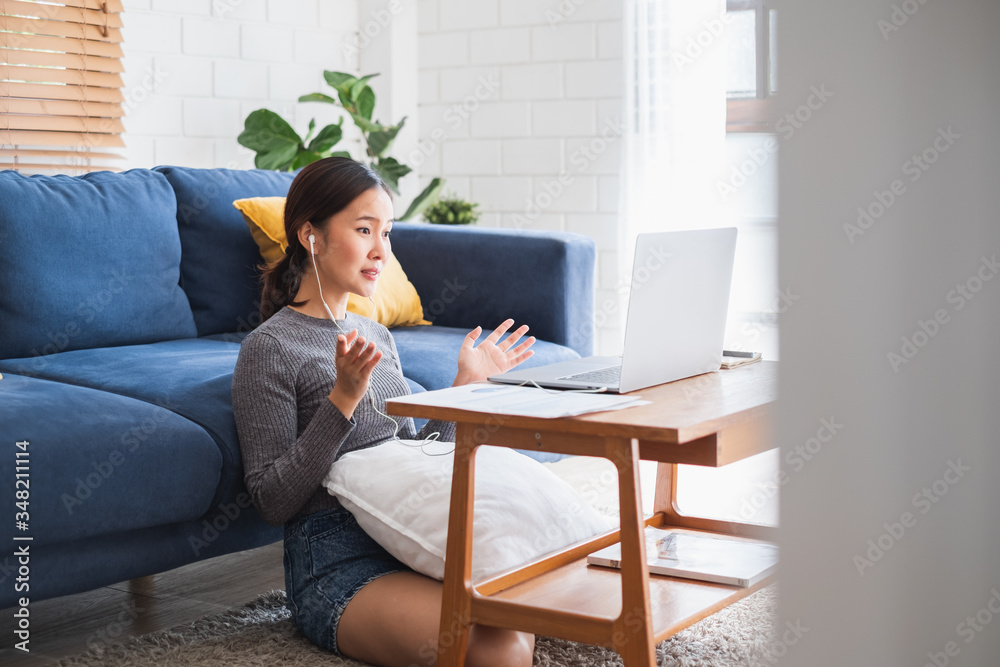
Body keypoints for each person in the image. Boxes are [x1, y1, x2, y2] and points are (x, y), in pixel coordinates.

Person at [232, 157, 537, 667]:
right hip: (337, 562)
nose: (381, 250)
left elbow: (415, 460)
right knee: (497, 652)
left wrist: (464, 389)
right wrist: (342, 401)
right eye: (364, 229)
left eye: (387, 232)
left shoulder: (376, 335)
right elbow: (271, 499)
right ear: (311, 235)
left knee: (528, 611)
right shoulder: (269, 347)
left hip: (412, 538)